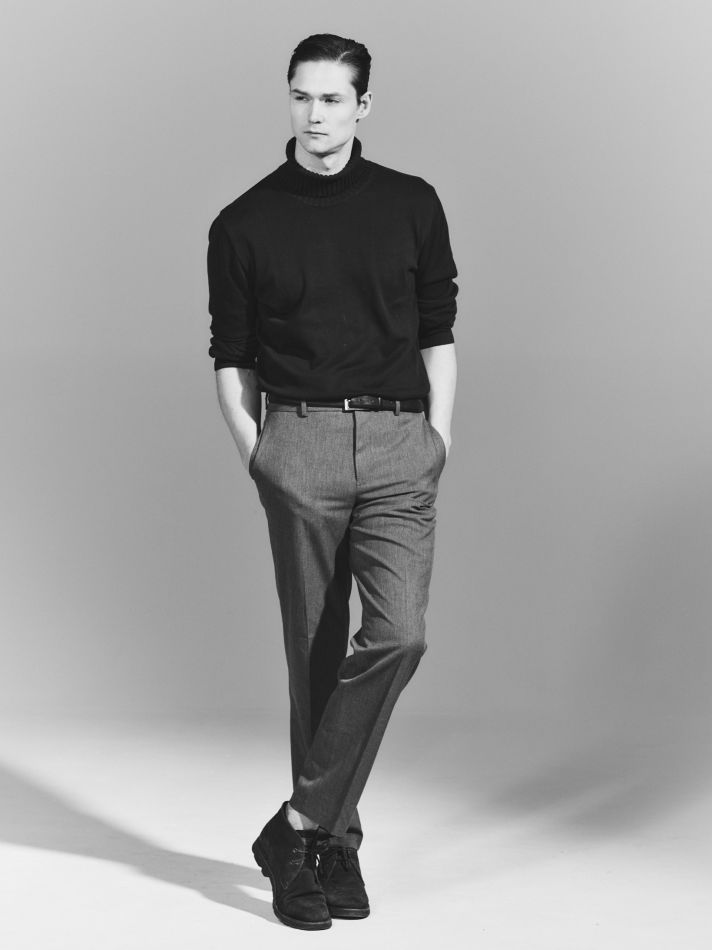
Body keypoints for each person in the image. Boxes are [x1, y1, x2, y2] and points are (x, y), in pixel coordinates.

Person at [206, 33, 458, 931]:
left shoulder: (411, 203)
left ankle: (297, 827)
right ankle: (333, 848)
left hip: (398, 442)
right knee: (314, 657)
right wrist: (260, 455)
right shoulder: (244, 222)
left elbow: (438, 328)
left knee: (399, 635)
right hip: (300, 443)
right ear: (290, 100)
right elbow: (231, 356)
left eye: (332, 98)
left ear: (363, 106)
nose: (315, 114)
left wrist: (438, 437)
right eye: (301, 96)